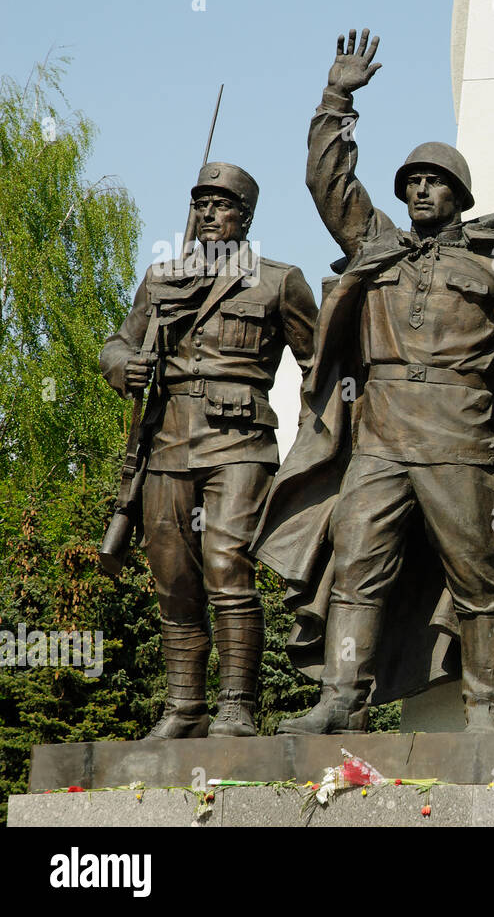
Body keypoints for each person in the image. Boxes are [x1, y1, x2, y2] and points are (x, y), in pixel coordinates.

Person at [256, 29, 494, 734]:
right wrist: (337, 98)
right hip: (383, 435)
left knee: (480, 574)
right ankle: (341, 700)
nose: (422, 189)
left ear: (459, 195)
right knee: (358, 564)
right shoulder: (378, 247)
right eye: (412, 182)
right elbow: (326, 183)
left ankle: (485, 709)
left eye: (435, 182)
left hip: (461, 436)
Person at [100, 162, 316, 738]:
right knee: (173, 578)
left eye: (221, 205)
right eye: (200, 204)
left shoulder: (277, 280)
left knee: (227, 567)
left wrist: (318, 447)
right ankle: (184, 708)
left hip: (239, 444)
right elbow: (117, 344)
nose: (208, 214)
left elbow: (319, 366)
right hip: (167, 443)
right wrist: (127, 364)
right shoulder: (161, 277)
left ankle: (238, 707)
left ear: (245, 216)